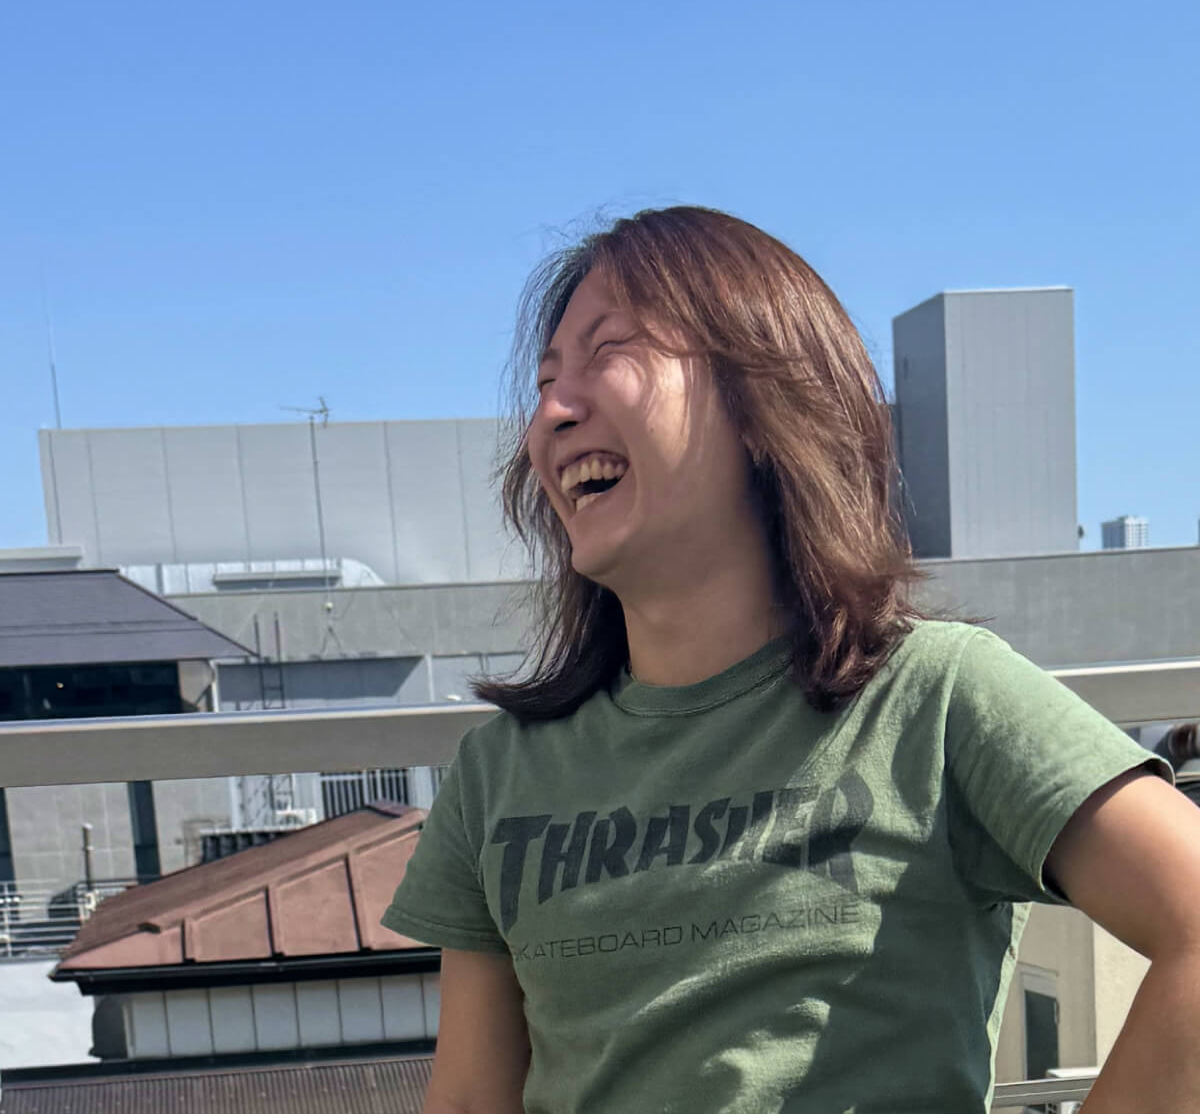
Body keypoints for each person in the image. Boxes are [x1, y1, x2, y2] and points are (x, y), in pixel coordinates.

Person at [383, 206, 1200, 1113]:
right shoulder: (497, 775)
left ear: (761, 398)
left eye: (607, 352)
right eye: (543, 384)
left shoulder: (936, 698)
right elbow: (469, 1098)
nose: (551, 414)